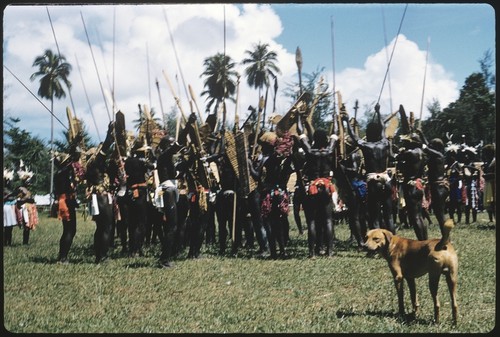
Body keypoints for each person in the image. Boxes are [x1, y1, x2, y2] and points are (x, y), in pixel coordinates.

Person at [341, 103, 395, 234]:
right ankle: (393, 242)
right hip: (387, 182)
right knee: (389, 216)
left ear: (369, 133)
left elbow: (353, 137)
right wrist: (378, 112)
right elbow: (382, 128)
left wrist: (347, 121)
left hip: (373, 183)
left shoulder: (366, 146)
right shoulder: (385, 143)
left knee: (374, 216)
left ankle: (376, 244)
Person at [297, 115, 338, 258]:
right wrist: (335, 120)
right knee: (328, 219)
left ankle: (312, 253)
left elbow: (300, 134)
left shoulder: (310, 151)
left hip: (313, 186)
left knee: (312, 221)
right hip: (326, 186)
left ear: (314, 139)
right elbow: (335, 134)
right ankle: (330, 252)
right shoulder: (330, 151)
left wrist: (298, 117)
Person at [84, 121, 115, 263]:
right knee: (106, 227)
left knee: (100, 227)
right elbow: (107, 145)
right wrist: (110, 132)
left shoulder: (93, 167)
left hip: (98, 197)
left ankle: (99, 255)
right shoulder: (96, 164)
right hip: (102, 197)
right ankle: (102, 256)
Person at [54, 145, 85, 263]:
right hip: (66, 201)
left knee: (69, 230)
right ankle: (63, 257)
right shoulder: (65, 171)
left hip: (65, 200)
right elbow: (73, 166)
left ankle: (62, 256)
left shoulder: (60, 172)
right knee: (69, 230)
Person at [415, 129, 450, 234]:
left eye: (431, 144)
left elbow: (426, 147)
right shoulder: (438, 155)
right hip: (438, 187)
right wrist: (421, 134)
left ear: (436, 146)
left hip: (439, 187)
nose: (429, 145)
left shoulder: (438, 155)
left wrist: (417, 140)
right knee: (439, 213)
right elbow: (427, 146)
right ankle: (446, 236)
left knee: (440, 214)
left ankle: (446, 237)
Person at [124, 140, 155, 257]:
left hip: (130, 192)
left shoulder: (127, 161)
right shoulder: (141, 162)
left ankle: (132, 248)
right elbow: (153, 166)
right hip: (140, 193)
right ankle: (137, 249)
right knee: (141, 222)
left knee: (132, 223)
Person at [481, 143, 495, 223]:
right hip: (488, 183)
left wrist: (488, 175)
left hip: (493, 184)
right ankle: (491, 219)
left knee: (493, 201)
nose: (485, 155)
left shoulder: (494, 161)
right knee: (489, 202)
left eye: (486, 153)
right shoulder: (487, 163)